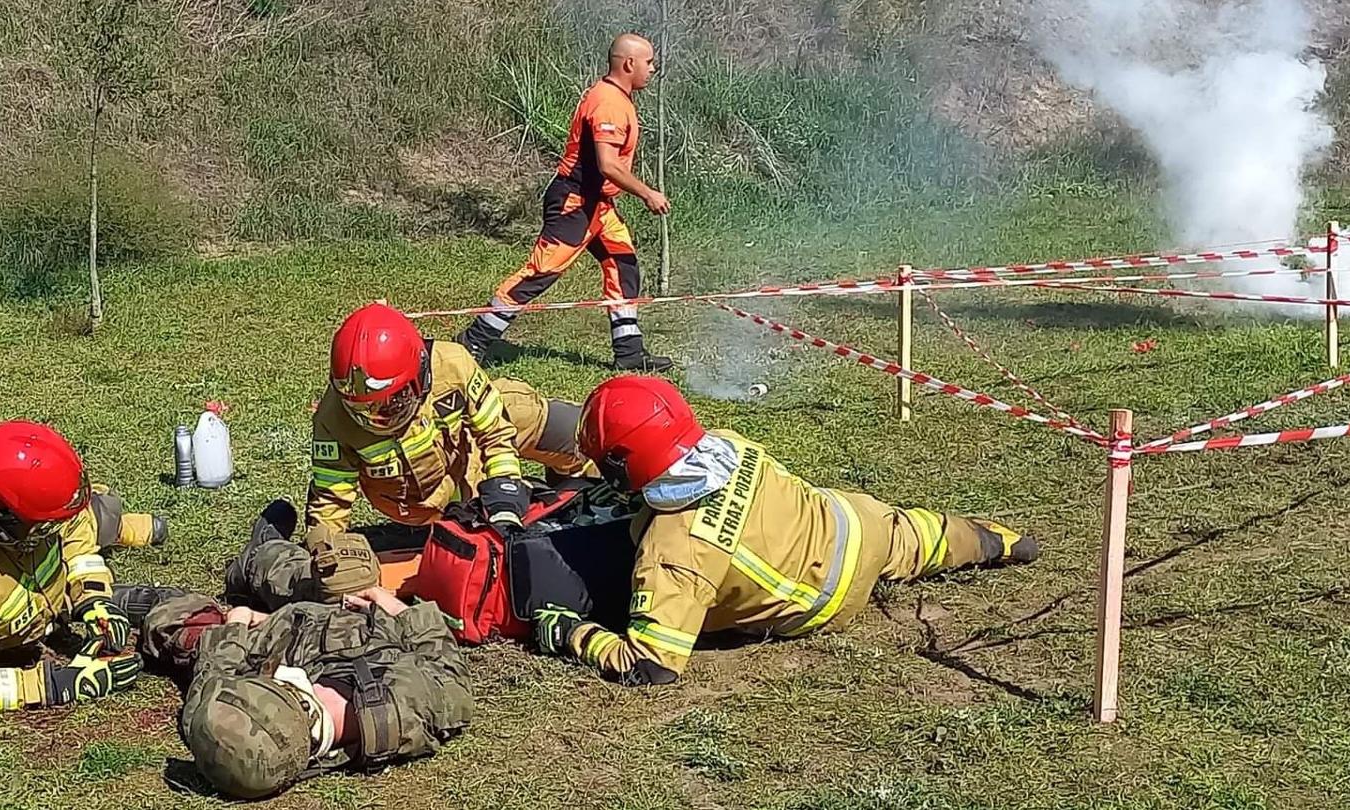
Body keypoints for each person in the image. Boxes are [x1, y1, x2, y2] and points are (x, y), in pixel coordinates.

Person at [532, 376, 1039, 685]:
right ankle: (999, 541)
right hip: (858, 527)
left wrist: (571, 634)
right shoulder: (728, 443)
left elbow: (652, 667)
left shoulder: (674, 552)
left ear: (623, 465)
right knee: (920, 536)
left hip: (823, 603)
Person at [122, 503, 472, 799]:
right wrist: (385, 601)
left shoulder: (231, 721)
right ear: (297, 698)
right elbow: (447, 667)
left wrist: (238, 625)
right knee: (345, 573)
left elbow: (215, 672)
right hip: (357, 621)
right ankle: (264, 553)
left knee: (184, 627)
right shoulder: (408, 706)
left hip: (283, 637)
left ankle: (227, 570)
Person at [0, 420, 168, 714]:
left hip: (48, 595)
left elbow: (75, 531)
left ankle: (118, 526)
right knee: (93, 518)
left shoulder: (32, 512)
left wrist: (94, 597)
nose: (56, 528)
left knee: (99, 511)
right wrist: (58, 684)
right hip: (20, 631)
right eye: (46, 527)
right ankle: (115, 526)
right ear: (1, 524)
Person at [457, 33, 675, 371]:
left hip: (600, 206)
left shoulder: (616, 97)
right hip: (576, 203)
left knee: (623, 265)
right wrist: (647, 193)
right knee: (540, 272)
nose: (653, 69)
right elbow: (608, 164)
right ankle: (474, 341)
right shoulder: (609, 103)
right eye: (649, 62)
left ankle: (630, 354)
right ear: (629, 64)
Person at [310, 302, 594, 534]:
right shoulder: (332, 419)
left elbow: (495, 433)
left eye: (393, 401)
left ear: (420, 375)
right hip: (427, 500)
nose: (376, 417)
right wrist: (328, 551)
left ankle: (592, 485)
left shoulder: (452, 364)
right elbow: (330, 500)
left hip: (464, 445)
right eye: (361, 409)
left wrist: (505, 487)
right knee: (475, 529)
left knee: (566, 425)